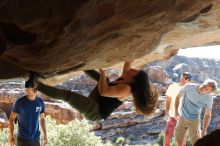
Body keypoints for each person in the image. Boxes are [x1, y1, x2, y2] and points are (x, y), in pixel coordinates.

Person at [33, 61, 158, 121]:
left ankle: (34, 83)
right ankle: (80, 64)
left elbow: (104, 92)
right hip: (97, 100)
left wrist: (103, 73)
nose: (132, 69)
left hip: (95, 112)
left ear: (134, 80)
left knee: (68, 96)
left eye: (135, 72)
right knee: (105, 79)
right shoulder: (127, 77)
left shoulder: (126, 89)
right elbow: (128, 62)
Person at [174, 79, 218, 146]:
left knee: (196, 142)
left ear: (209, 92)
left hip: (194, 120)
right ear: (203, 82)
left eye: (207, 89)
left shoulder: (209, 98)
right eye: (204, 85)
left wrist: (204, 129)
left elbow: (207, 114)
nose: (203, 89)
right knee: (178, 139)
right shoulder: (189, 87)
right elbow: (177, 97)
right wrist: (176, 112)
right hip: (182, 117)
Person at [9, 79, 48, 146]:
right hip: (23, 139)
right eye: (32, 86)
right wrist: (11, 136)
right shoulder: (19, 102)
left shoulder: (40, 102)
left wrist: (45, 136)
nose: (34, 87)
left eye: (35, 85)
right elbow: (11, 119)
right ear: (27, 89)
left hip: (36, 139)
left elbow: (42, 119)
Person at [163, 72, 191, 146]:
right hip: (172, 116)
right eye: (183, 76)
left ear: (189, 80)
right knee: (167, 134)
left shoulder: (189, 90)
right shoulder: (172, 86)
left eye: (186, 77)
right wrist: (166, 113)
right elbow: (168, 100)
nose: (183, 78)